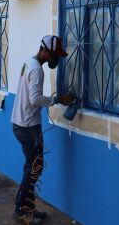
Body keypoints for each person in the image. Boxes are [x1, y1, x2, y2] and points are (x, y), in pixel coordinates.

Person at [11, 35, 73, 225]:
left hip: (20, 123)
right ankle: (21, 212)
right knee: (33, 169)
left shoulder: (28, 63)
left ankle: (27, 208)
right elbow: (35, 99)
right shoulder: (37, 70)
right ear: (45, 51)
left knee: (31, 167)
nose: (56, 59)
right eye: (54, 55)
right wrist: (57, 100)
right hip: (28, 126)